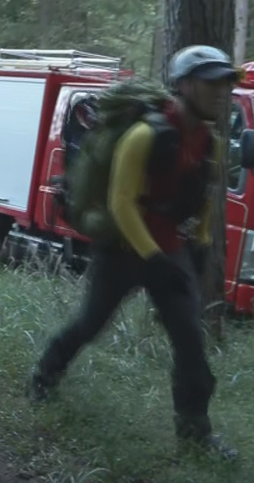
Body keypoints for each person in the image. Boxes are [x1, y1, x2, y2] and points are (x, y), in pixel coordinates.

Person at [29, 45, 236, 459]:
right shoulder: (146, 135)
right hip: (123, 248)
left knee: (190, 341)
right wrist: (153, 257)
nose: (220, 92)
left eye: (224, 84)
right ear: (185, 85)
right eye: (211, 83)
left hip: (170, 251)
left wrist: (201, 245)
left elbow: (208, 195)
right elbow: (122, 202)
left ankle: (195, 432)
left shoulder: (210, 142)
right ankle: (44, 377)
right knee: (91, 324)